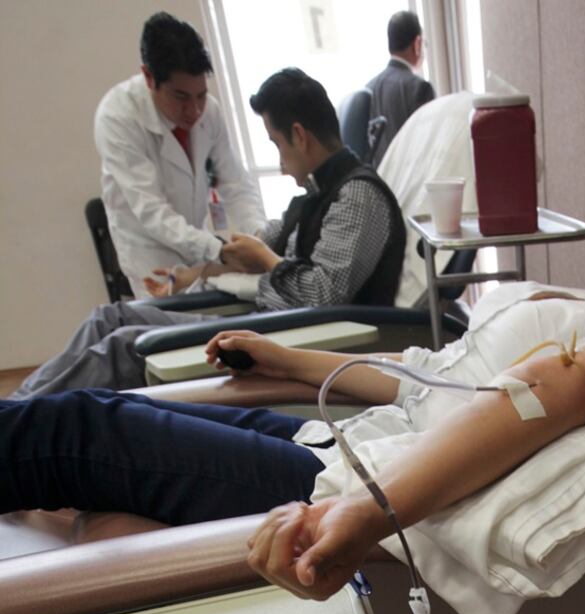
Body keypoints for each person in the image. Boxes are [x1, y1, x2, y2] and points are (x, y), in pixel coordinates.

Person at [1, 136, 585, 614]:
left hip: (359, 491)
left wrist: (370, 511)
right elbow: (431, 384)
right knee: (98, 418)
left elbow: (563, 387)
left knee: (72, 428)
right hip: (355, 450)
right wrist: (288, 361)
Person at [9, 68, 405, 400]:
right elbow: (260, 242)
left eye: (277, 144)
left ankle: (16, 425)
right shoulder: (315, 194)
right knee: (109, 318)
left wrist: (265, 261)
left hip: (303, 336)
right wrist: (198, 271)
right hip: (274, 320)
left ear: (300, 135)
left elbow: (324, 295)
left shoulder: (357, 196)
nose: (281, 165)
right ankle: (16, 405)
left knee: (121, 348)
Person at [95, 12, 267, 297]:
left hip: (197, 243)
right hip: (150, 253)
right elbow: (151, 211)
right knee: (175, 329)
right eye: (181, 97)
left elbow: (235, 182)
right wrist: (219, 250)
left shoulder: (208, 111)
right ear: (149, 77)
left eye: (200, 95)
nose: (194, 110)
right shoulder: (118, 116)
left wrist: (261, 237)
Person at [363, 10, 436, 166]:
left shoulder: (368, 89)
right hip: (411, 184)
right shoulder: (419, 88)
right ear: (417, 44)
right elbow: (430, 147)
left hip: (378, 185)